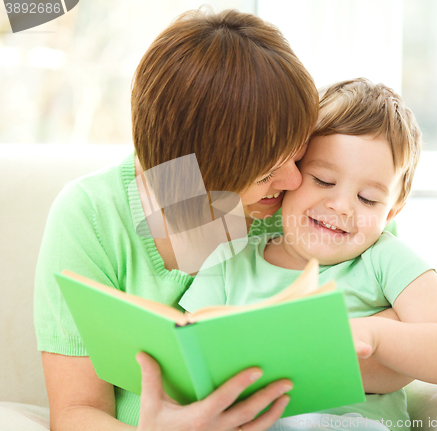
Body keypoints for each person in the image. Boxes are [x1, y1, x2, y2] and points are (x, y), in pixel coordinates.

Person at [34, 9, 411, 430]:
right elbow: (75, 412)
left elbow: (406, 344)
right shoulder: (91, 218)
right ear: (200, 177)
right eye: (266, 172)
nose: (292, 178)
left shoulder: (312, 204)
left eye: (296, 152)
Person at [180, 78, 437, 431]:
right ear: (290, 175)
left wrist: (374, 335)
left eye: (367, 199)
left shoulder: (384, 258)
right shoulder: (230, 261)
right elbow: (187, 351)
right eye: (322, 180)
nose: (341, 206)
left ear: (392, 212)